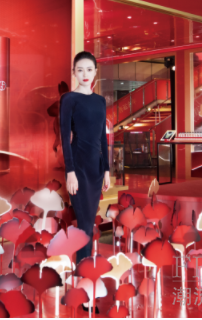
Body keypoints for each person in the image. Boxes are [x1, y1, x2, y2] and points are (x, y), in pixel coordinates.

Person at [59, 51, 111, 265]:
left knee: (89, 222)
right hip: (78, 168)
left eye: (89, 69)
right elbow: (65, 138)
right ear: (74, 72)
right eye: (80, 70)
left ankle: (85, 267)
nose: (85, 74)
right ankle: (84, 267)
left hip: (96, 169)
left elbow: (102, 137)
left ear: (95, 72)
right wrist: (70, 171)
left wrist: (106, 170)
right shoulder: (69, 99)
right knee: (84, 223)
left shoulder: (100, 101)